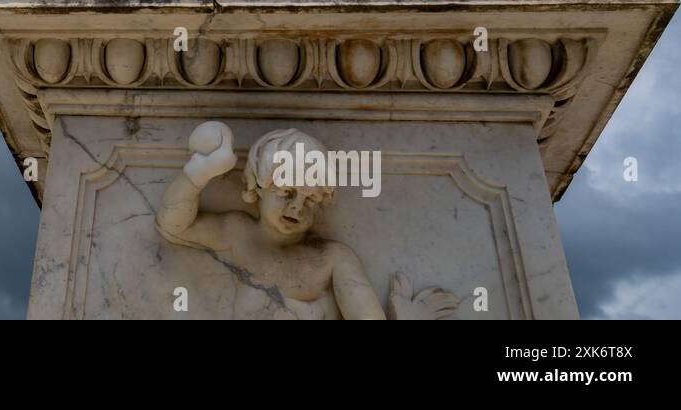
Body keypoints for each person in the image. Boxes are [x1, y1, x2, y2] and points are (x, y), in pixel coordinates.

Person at [155, 122, 460, 320]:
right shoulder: (238, 235)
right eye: (286, 192)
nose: (297, 207)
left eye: (310, 199)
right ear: (257, 188)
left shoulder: (332, 259)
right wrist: (202, 172)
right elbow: (173, 225)